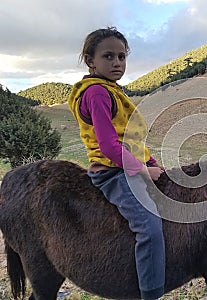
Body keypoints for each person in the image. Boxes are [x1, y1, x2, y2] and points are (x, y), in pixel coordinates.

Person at [68, 27, 165, 300]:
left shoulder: (112, 90)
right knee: (149, 228)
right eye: (108, 56)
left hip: (126, 164)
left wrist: (153, 161)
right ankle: (151, 293)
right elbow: (110, 146)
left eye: (121, 57)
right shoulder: (98, 93)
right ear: (90, 60)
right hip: (113, 173)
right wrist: (144, 170)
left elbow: (129, 137)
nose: (117, 63)